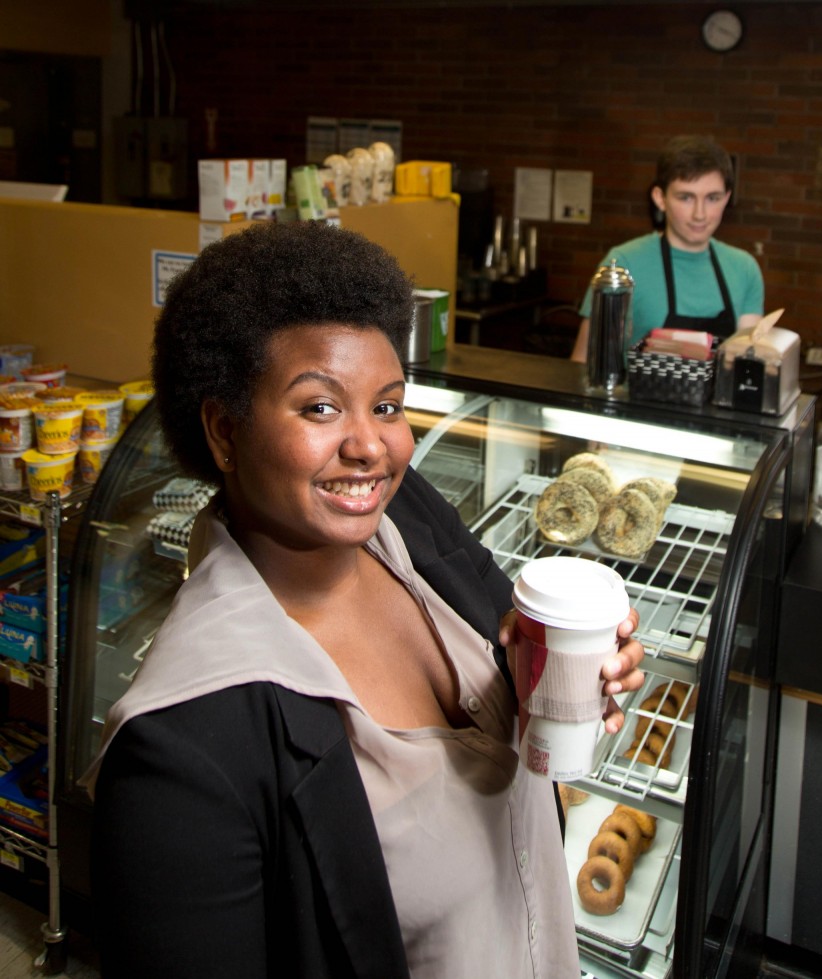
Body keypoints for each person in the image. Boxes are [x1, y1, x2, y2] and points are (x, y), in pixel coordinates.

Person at [84, 220, 645, 979]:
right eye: (320, 407)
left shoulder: (402, 513)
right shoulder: (182, 754)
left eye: (386, 405)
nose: (370, 447)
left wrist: (546, 667)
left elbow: (499, 634)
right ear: (224, 430)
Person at [571, 134, 764, 362]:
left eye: (712, 198)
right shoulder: (623, 264)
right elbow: (584, 363)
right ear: (660, 198)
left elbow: (747, 362)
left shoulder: (744, 268)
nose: (700, 214)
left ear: (726, 198)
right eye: (686, 198)